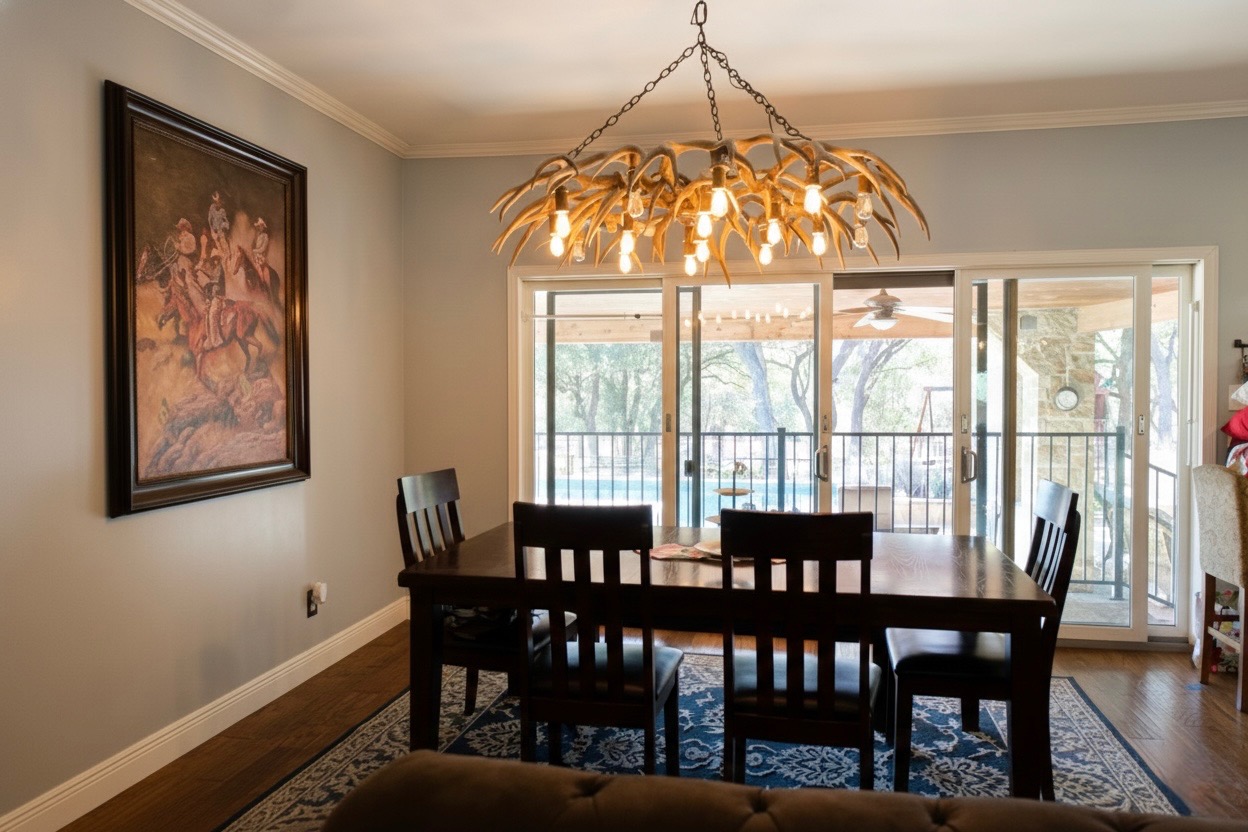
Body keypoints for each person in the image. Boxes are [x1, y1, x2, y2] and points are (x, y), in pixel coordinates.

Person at [208, 191, 231, 269]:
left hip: (221, 232)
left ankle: (228, 263)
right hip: (214, 232)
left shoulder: (222, 211)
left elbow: (226, 221)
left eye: (219, 202)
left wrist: (225, 226)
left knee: (225, 248)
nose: (218, 204)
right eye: (216, 202)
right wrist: (213, 230)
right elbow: (209, 219)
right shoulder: (212, 208)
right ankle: (220, 265)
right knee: (218, 248)